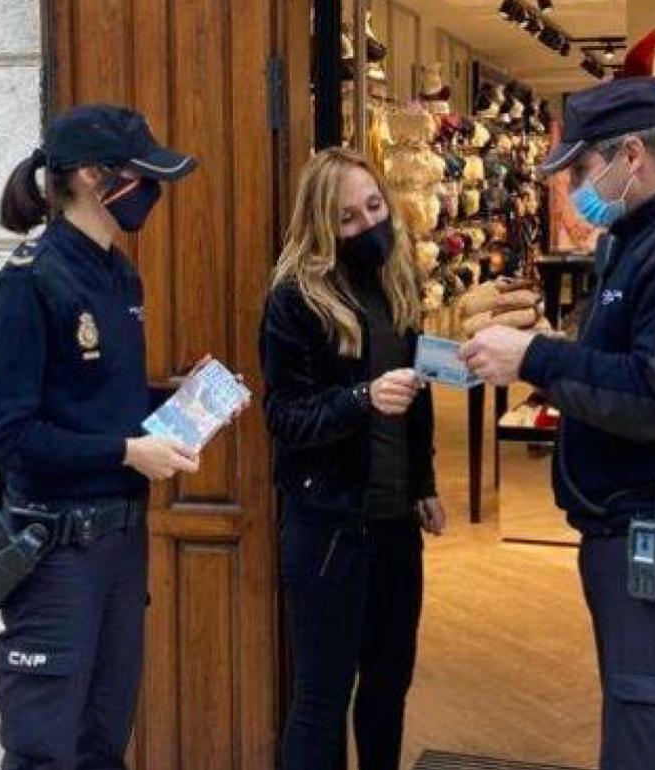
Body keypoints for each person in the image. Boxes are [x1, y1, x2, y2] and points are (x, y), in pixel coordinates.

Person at [461, 77, 655, 770]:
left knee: (652, 741)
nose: (572, 186)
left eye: (579, 168)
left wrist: (535, 357)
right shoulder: (642, 236)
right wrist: (549, 344)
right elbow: (627, 362)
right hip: (643, 541)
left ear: (631, 154)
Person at [0, 104, 234, 770]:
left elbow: (96, 403)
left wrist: (175, 398)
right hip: (56, 552)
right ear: (94, 177)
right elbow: (1, 436)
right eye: (143, 175)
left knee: (101, 743)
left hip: (119, 546)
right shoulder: (29, 283)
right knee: (44, 751)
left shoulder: (119, 274)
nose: (154, 190)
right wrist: (125, 452)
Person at [260, 147, 446, 770]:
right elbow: (284, 418)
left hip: (395, 523)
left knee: (389, 690)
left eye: (374, 207)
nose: (369, 226)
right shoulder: (296, 300)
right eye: (348, 219)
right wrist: (361, 399)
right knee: (322, 698)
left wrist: (423, 481)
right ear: (321, 228)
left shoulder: (399, 281)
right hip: (330, 527)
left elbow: (417, 399)